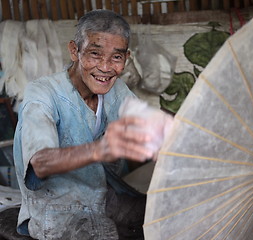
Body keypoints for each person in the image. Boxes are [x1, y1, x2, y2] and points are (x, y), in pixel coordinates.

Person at [13, 9, 167, 240]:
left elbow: (150, 126)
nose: (105, 67)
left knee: (166, 215)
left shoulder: (117, 90)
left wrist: (170, 131)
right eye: (95, 54)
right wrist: (101, 149)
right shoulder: (42, 93)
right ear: (75, 51)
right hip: (56, 211)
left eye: (116, 57)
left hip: (103, 198)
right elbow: (40, 163)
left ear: (126, 57)